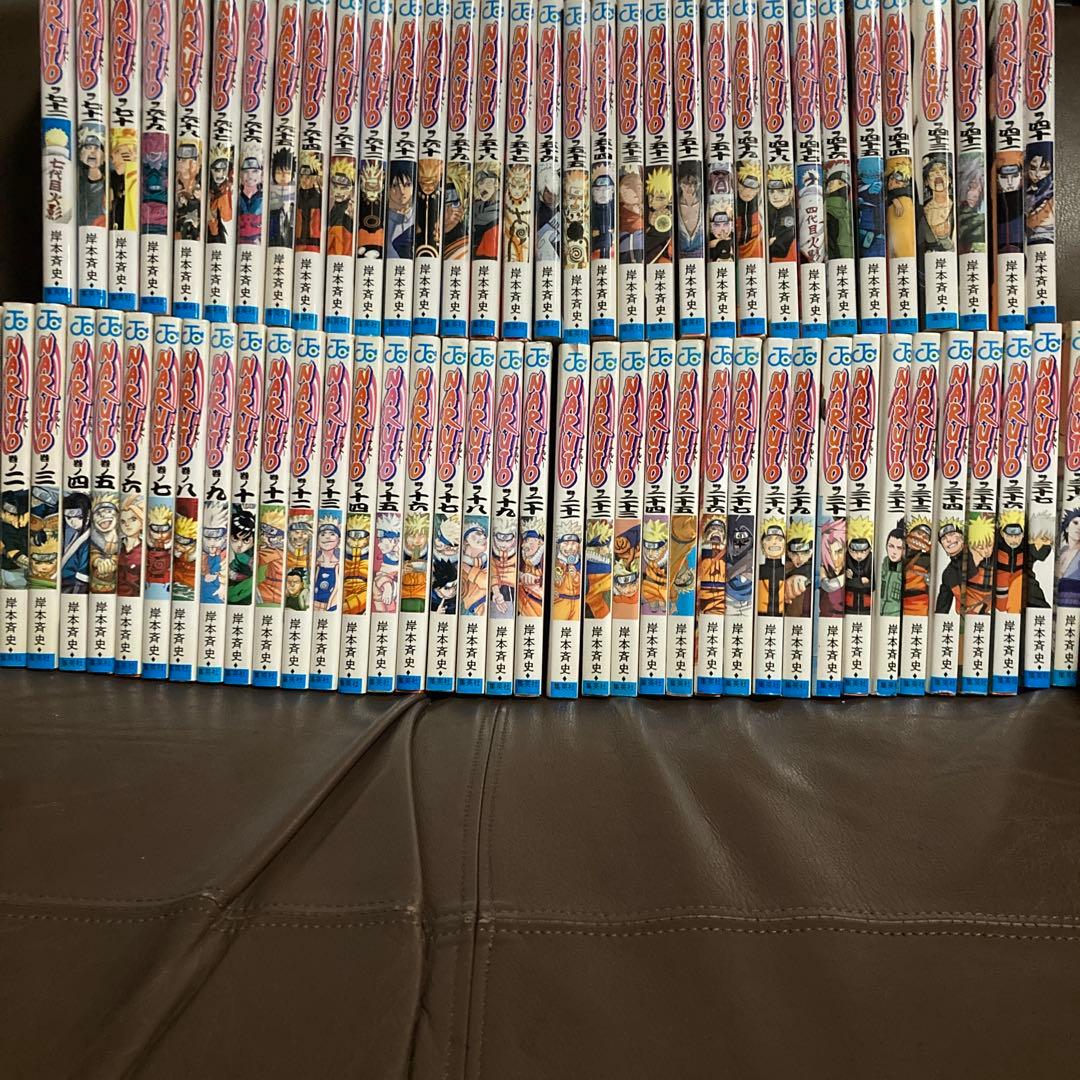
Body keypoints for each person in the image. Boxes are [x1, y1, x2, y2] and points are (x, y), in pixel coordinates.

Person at [934, 519, 966, 614]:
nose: (948, 540)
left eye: (952, 534)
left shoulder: (978, 557)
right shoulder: (948, 574)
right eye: (943, 538)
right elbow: (942, 609)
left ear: (962, 538)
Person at [116, 494, 145, 598]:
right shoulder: (116, 545)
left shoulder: (144, 549)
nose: (127, 524)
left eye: (133, 519)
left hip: (136, 597)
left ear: (142, 523)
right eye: (123, 521)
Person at [766, 165, 796, 262]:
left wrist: (770, 243)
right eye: (771, 192)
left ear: (790, 192)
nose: (775, 196)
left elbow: (781, 248)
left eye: (781, 191)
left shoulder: (789, 215)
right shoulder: (769, 212)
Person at [326, 158, 356, 256]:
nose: (338, 192)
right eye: (335, 187)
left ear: (351, 190)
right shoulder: (333, 208)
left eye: (343, 188)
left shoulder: (348, 211)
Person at [227, 507, 257, 604]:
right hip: (238, 577)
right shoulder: (239, 553)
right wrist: (232, 574)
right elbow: (235, 564)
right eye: (235, 539)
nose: (239, 545)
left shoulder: (253, 553)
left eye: (246, 540)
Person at [267, 147, 296, 247]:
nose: (283, 177)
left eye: (287, 173)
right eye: (279, 172)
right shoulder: (271, 194)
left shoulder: (293, 196)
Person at [757, 518, 786, 616]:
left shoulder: (786, 570)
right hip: (760, 615)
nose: (774, 542)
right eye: (769, 539)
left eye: (779, 539)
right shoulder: (758, 570)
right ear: (762, 544)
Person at [312, 519, 343, 611]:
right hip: (314, 605)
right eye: (323, 534)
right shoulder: (315, 563)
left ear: (339, 540)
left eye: (332, 534)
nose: (327, 537)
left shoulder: (340, 564)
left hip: (332, 606)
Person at [295, 152, 323, 251]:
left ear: (315, 178)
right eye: (302, 176)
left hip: (314, 243)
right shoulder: (296, 196)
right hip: (298, 242)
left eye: (308, 177)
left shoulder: (319, 198)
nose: (304, 180)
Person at [205, 147, 233, 244]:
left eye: (224, 169)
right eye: (217, 169)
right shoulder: (206, 187)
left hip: (217, 233)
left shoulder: (226, 190)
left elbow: (227, 217)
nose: (221, 174)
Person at [618, 169, 645, 263]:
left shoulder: (643, 210)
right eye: (629, 188)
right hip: (625, 248)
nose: (635, 192)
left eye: (638, 187)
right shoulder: (619, 212)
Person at [1056, 508, 1080, 609]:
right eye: (1075, 523)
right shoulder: (1062, 552)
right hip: (1057, 608)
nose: (1079, 527)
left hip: (1074, 607)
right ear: (1066, 528)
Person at [236, 156, 264, 244]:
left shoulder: (262, 199)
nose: (250, 176)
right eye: (246, 172)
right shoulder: (237, 197)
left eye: (254, 171)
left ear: (260, 174)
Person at [878, 525, 905, 616]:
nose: (894, 552)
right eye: (891, 546)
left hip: (896, 615)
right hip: (879, 614)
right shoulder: (882, 566)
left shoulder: (906, 570)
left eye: (899, 548)